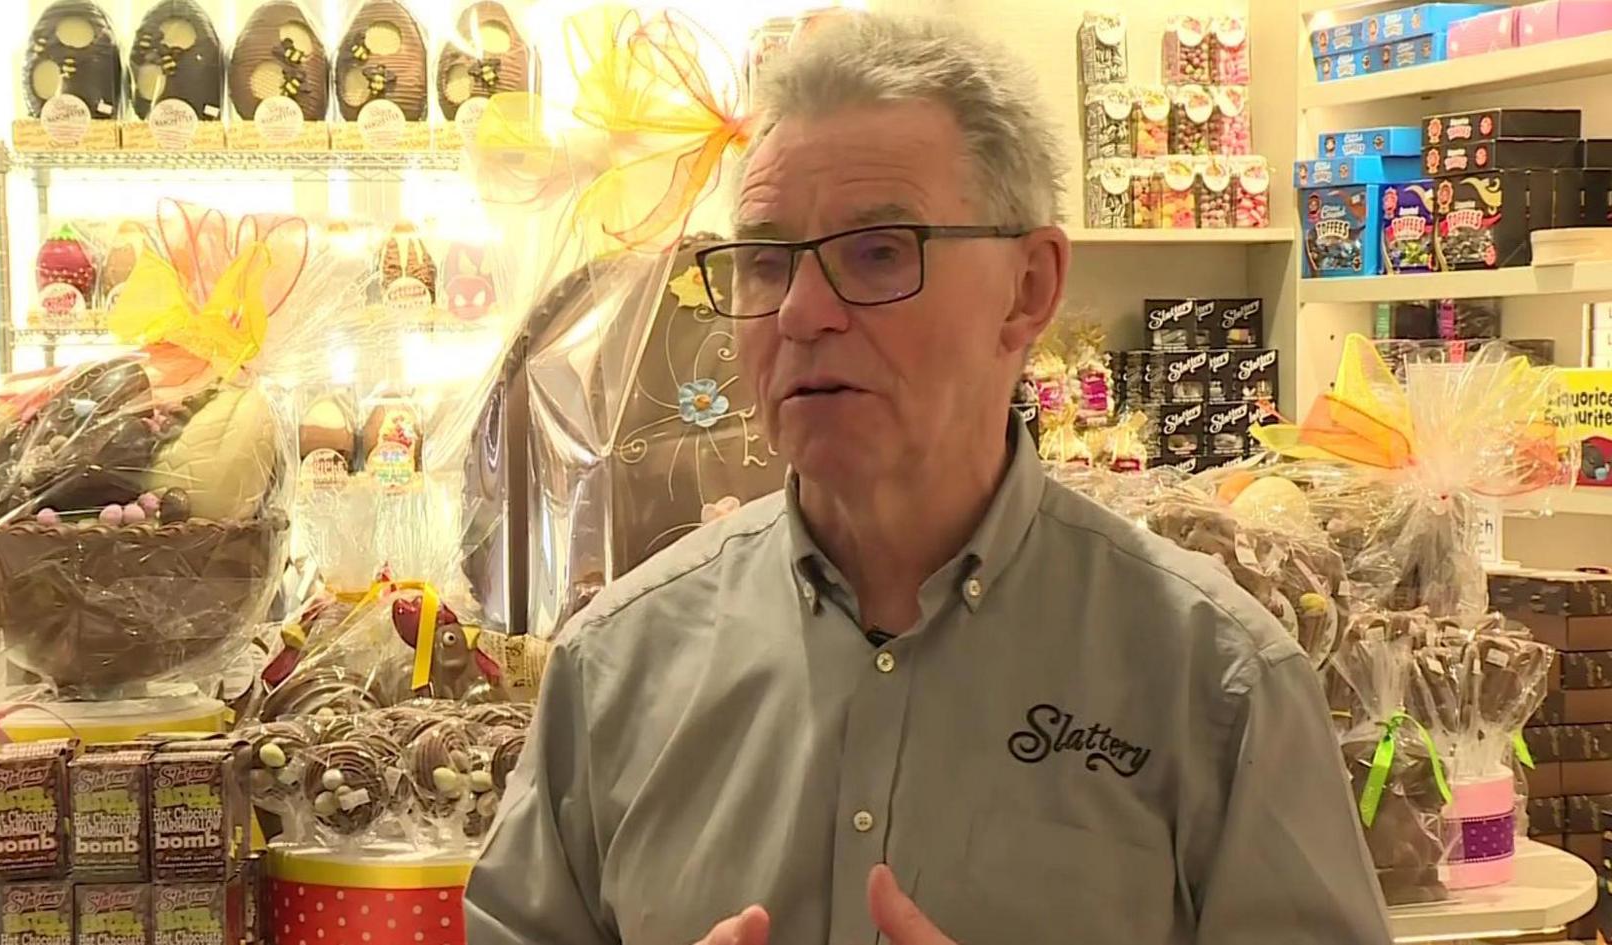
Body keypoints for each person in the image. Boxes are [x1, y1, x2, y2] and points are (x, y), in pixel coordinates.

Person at [466, 12, 1390, 945]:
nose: (801, 312)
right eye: (764, 260)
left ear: (1029, 288)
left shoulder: (1218, 683)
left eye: (877, 252)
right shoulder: (612, 671)